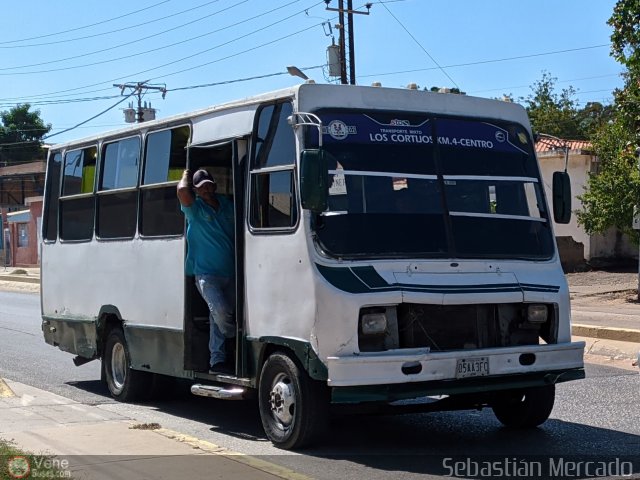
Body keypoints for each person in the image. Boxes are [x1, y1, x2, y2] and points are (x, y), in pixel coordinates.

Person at [177, 168, 235, 375]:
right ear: (196, 190)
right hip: (206, 275)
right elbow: (182, 191)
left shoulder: (228, 205)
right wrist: (186, 173)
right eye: (201, 187)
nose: (207, 190)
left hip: (233, 273)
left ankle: (217, 361)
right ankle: (233, 335)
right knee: (220, 310)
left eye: (209, 185)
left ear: (214, 185)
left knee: (216, 316)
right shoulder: (195, 209)